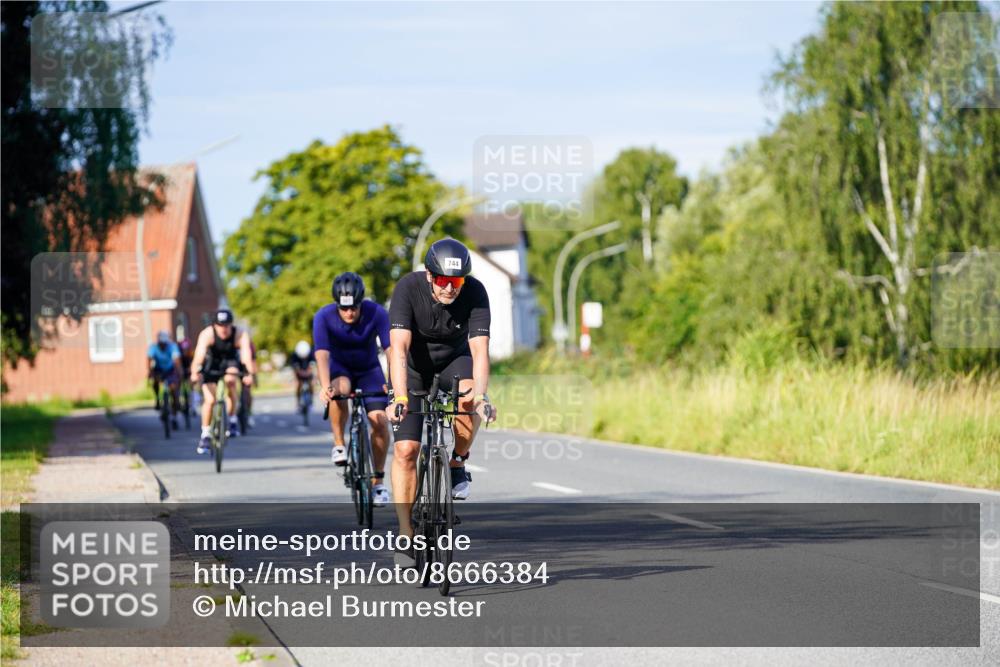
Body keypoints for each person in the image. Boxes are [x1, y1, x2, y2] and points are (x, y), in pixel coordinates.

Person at [387, 238, 496, 563]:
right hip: (414, 368)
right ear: (430, 276)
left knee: (468, 395)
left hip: (454, 361)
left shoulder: (475, 292)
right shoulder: (408, 288)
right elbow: (399, 350)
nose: (451, 288)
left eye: (457, 281)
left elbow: (479, 350)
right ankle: (406, 535)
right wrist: (400, 396)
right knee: (406, 450)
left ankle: (457, 462)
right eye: (444, 281)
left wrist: (480, 396)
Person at [313, 272, 392, 507]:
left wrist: (394, 383)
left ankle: (378, 482)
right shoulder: (323, 316)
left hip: (369, 370)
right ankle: (339, 444)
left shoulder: (376, 312)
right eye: (344, 308)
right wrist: (325, 386)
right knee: (339, 390)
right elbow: (322, 355)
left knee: (379, 421)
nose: (349, 313)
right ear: (337, 304)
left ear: (361, 303)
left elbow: (390, 349)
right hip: (341, 370)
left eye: (354, 308)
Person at [189, 309, 256, 453]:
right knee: (210, 400)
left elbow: (246, 356)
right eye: (220, 325)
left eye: (227, 325)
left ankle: (232, 420)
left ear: (231, 324)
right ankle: (205, 435)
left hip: (230, 362)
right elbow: (199, 356)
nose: (224, 329)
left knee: (231, 380)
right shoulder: (207, 334)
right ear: (214, 325)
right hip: (211, 363)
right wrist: (194, 372)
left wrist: (249, 374)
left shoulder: (240, 334)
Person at [147, 330, 183, 429]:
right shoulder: (153, 347)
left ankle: (174, 417)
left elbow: (176, 360)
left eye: (164, 344)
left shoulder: (172, 347)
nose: (162, 346)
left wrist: (179, 373)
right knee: (155, 381)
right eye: (161, 344)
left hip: (170, 370)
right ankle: (158, 399)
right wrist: (150, 372)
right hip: (159, 369)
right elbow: (149, 359)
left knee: (174, 391)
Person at [289, 340, 316, 409]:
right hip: (299, 373)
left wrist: (310, 374)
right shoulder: (294, 356)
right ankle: (298, 402)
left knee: (312, 384)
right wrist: (296, 378)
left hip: (308, 372)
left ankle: (311, 400)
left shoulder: (311, 354)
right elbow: (295, 369)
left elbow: (312, 366)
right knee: (298, 385)